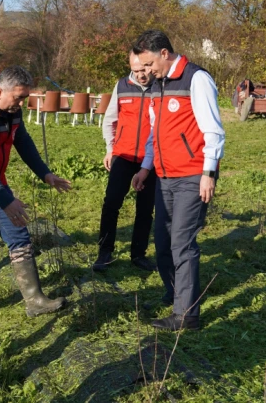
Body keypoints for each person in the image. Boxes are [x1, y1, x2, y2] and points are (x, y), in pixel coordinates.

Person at [0, 66, 72, 317]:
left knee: (19, 235)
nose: (21, 103)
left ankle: (35, 301)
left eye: (24, 98)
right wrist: (7, 200)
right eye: (17, 97)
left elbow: (24, 143)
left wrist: (46, 174)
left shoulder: (12, 111)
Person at [131, 30, 225, 332]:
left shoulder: (196, 79)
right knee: (162, 242)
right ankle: (175, 295)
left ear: (164, 54)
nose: (145, 72)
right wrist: (146, 167)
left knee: (182, 244)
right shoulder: (158, 85)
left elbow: (213, 131)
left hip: (193, 174)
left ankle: (187, 315)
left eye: (147, 65)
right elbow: (154, 134)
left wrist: (208, 174)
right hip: (164, 175)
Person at [93, 51, 158, 272]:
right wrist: (110, 149)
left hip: (150, 160)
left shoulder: (161, 87)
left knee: (145, 208)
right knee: (111, 203)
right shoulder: (121, 86)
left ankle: (138, 254)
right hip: (123, 155)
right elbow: (110, 120)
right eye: (136, 71)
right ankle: (105, 252)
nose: (140, 75)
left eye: (144, 70)